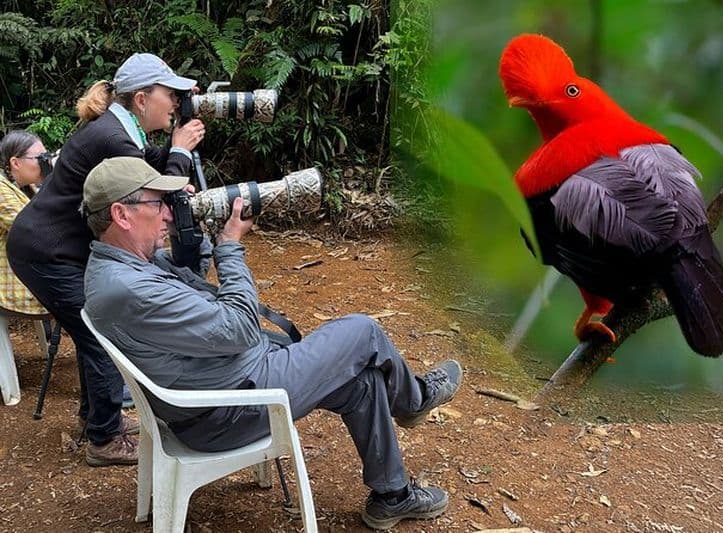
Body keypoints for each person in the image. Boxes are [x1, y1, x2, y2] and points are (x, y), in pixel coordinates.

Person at [81, 156, 463, 530]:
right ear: (121, 214)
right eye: (158, 203)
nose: (166, 214)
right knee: (362, 331)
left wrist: (188, 234)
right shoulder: (128, 288)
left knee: (362, 383)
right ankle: (413, 400)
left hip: (225, 385)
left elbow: (191, 285)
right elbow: (241, 328)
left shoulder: (123, 268)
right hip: (231, 406)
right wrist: (229, 246)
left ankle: (391, 496)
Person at [6, 53, 207, 466]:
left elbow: (149, 160)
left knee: (91, 329)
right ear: (140, 98)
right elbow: (155, 185)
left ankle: (97, 419)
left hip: (55, 246)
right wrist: (181, 152)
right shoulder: (112, 138)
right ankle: (103, 439)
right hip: (47, 252)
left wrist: (178, 132)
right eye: (170, 94)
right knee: (100, 333)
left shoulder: (119, 130)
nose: (174, 103)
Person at [0, 131, 49, 316]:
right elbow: (32, 230)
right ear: (15, 163)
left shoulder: (29, 186)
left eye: (47, 156)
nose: (44, 163)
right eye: (39, 158)